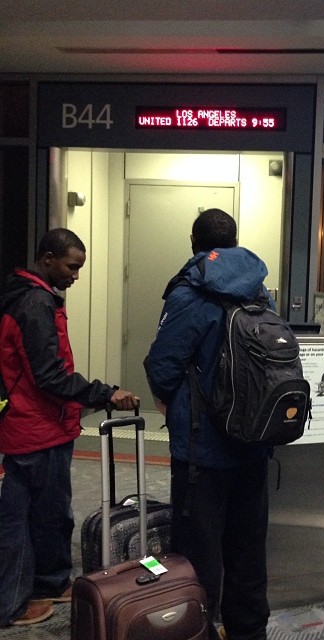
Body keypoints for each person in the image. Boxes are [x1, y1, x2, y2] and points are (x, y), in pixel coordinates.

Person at [0, 228, 138, 627]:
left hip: (38, 427)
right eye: (72, 266)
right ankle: (13, 602)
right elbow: (50, 377)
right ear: (47, 259)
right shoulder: (33, 304)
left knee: (48, 514)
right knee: (25, 520)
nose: (76, 275)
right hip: (36, 429)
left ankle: (48, 582)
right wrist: (104, 394)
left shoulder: (30, 298)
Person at [144, 208, 272, 640]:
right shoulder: (260, 292)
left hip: (203, 454)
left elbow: (163, 366)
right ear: (235, 242)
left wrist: (170, 401)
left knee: (197, 556)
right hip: (254, 445)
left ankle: (196, 628)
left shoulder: (190, 294)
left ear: (194, 243)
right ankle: (249, 632)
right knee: (248, 551)